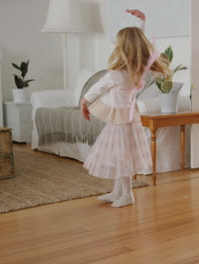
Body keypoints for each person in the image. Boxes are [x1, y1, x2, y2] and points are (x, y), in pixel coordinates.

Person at [80, 9, 170, 207]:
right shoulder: (140, 68)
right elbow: (137, 41)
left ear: (122, 48)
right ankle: (117, 192)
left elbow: (98, 87)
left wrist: (84, 101)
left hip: (121, 122)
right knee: (119, 156)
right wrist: (143, 23)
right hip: (126, 119)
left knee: (120, 158)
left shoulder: (117, 74)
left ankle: (127, 195)